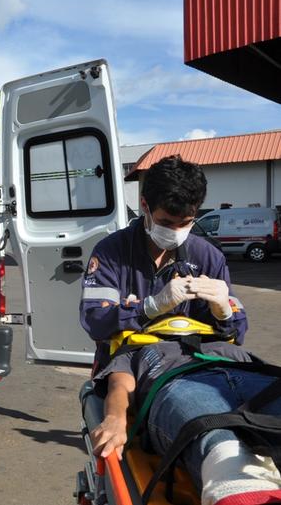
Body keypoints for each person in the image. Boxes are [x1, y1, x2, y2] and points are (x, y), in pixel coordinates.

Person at [79, 155, 248, 371]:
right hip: (128, 356)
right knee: (118, 395)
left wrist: (223, 311)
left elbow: (238, 332)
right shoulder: (111, 252)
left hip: (191, 358)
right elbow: (95, 320)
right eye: (166, 222)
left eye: (186, 223)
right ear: (144, 205)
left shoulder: (208, 256)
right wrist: (150, 307)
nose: (176, 233)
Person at [90, 339, 281, 505]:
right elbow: (119, 388)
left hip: (257, 378)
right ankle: (241, 487)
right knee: (223, 448)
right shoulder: (135, 352)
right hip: (182, 382)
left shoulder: (230, 348)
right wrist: (114, 418)